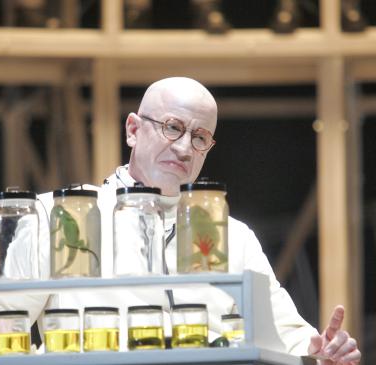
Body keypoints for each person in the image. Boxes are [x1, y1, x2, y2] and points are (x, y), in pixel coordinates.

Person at [67, 76, 359, 362]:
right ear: (133, 130)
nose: (184, 149)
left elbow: (282, 332)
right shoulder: (67, 213)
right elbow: (19, 315)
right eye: (172, 128)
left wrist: (323, 352)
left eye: (199, 138)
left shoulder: (234, 236)